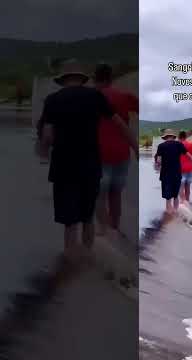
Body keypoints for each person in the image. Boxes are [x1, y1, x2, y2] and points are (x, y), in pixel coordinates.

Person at [39, 59, 138, 262]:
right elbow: (119, 124)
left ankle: (71, 260)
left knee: (69, 221)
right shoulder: (95, 96)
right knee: (87, 217)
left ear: (63, 79)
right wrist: (136, 147)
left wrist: (42, 149)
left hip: (63, 167)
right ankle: (88, 259)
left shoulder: (52, 100)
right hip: (91, 165)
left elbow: (48, 135)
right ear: (82, 79)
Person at [94, 63, 139, 237]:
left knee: (99, 195)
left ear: (96, 79)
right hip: (122, 153)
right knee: (115, 193)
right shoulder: (124, 96)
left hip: (100, 153)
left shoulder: (93, 97)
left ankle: (105, 234)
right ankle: (115, 227)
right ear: (111, 79)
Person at [154, 129, 192, 214]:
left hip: (166, 175)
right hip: (177, 174)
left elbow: (159, 161)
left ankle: (169, 214)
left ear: (165, 137)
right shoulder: (179, 145)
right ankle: (175, 212)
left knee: (168, 198)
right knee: (175, 196)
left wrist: (157, 165)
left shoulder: (161, 146)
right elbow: (189, 156)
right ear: (173, 136)